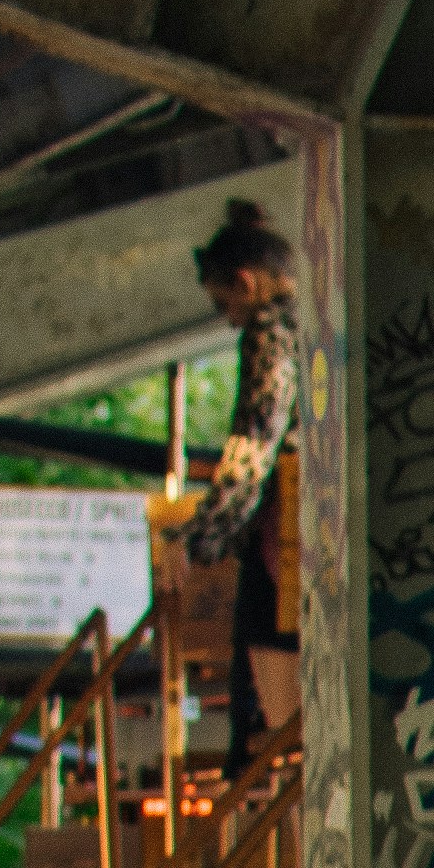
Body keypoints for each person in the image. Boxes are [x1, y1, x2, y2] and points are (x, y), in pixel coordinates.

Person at [166, 202, 303, 771]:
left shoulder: (270, 336)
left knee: (271, 698)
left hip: (287, 528)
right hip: (308, 523)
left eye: (226, 304)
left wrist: (198, 536)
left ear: (247, 283)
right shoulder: (318, 321)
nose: (227, 320)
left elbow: (254, 444)